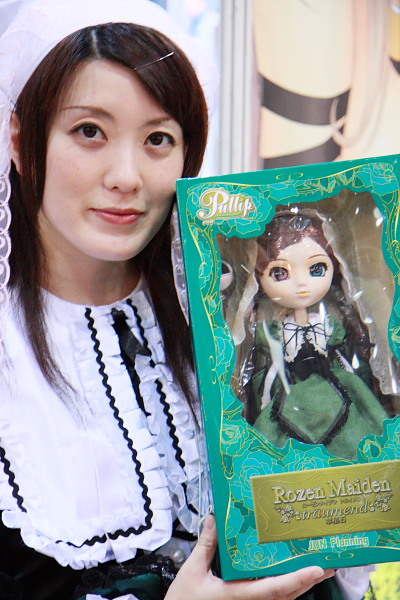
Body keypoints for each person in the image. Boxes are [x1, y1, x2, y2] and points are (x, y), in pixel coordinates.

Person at [0, 1, 370, 598]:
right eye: (89, 131)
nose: (126, 176)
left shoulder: (232, 315)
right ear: (19, 139)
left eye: (158, 138)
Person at [252, 211, 390, 460]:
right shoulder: (274, 333)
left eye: (316, 269)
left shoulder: (330, 325)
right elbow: (270, 376)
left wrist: (358, 376)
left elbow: (346, 362)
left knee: (358, 424)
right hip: (291, 391)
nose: (301, 284)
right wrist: (263, 402)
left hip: (335, 382)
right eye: (281, 273)